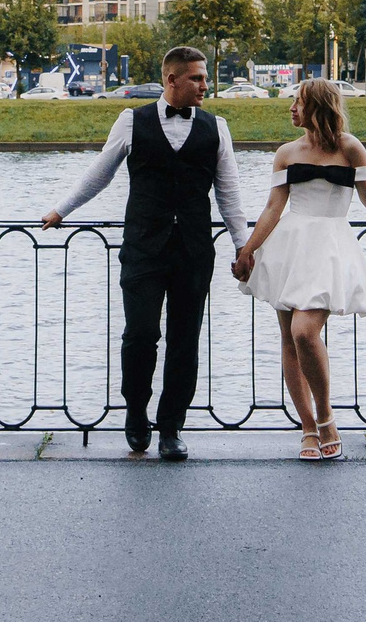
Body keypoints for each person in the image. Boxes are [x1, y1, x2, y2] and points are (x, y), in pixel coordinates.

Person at [41, 46, 247, 460]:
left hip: (193, 252)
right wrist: (62, 209)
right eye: (197, 78)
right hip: (142, 249)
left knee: (185, 340)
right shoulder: (131, 121)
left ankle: (171, 426)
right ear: (172, 80)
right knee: (140, 334)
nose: (205, 86)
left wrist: (243, 245)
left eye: (204, 78)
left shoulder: (217, 127)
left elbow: (229, 193)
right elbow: (100, 172)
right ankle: (136, 411)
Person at [231, 78, 366, 461]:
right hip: (289, 247)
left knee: (304, 331)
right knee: (288, 338)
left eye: (298, 102)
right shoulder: (286, 153)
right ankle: (308, 428)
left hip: (329, 246)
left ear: (317, 106)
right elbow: (273, 208)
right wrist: (248, 251)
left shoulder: (350, 148)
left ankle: (326, 416)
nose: (291, 109)